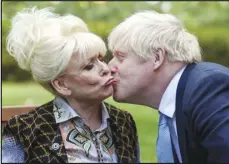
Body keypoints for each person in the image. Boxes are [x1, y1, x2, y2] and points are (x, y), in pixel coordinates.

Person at [2, 7, 140, 163]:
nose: (105, 69)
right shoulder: (25, 128)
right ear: (61, 85)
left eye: (101, 59)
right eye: (89, 66)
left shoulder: (124, 121)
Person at [107, 10, 229, 163]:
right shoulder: (180, 99)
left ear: (157, 57)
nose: (109, 67)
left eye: (120, 58)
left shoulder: (208, 88)